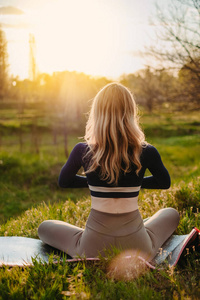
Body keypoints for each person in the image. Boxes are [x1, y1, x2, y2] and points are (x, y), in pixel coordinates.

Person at [38, 82, 180, 262]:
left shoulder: (82, 150)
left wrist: (94, 183)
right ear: (131, 113)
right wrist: (131, 184)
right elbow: (164, 183)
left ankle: (90, 242)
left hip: (90, 247)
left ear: (97, 113)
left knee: (44, 227)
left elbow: (64, 182)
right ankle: (140, 231)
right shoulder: (147, 151)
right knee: (170, 213)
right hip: (139, 247)